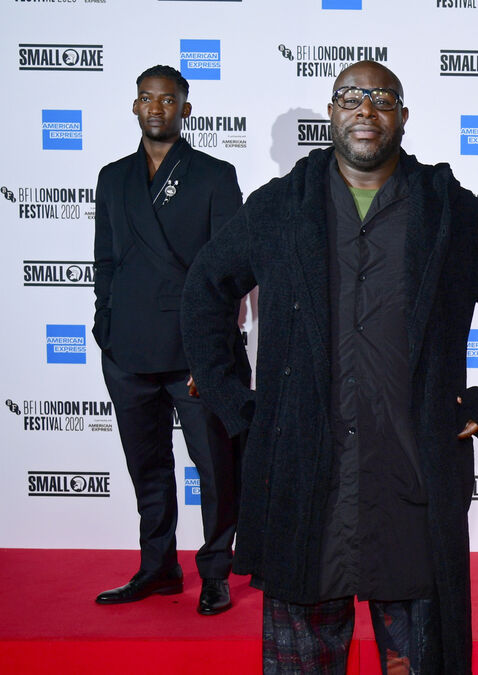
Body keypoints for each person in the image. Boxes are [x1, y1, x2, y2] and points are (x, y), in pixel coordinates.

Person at [181, 60, 478, 673]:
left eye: (382, 99)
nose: (365, 110)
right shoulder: (281, 206)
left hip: (410, 477)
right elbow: (204, 290)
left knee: (422, 658)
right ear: (332, 112)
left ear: (403, 116)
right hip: (305, 479)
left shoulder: (445, 210)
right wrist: (235, 400)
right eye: (350, 97)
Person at [93, 64, 248, 616]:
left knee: (215, 467)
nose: (155, 107)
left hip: (193, 352)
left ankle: (215, 571)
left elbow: (230, 269)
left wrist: (209, 353)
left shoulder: (214, 175)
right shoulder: (113, 177)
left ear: (185, 108)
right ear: (134, 106)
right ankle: (157, 567)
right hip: (127, 349)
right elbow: (104, 260)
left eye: (167, 99)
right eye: (146, 98)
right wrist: (105, 327)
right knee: (148, 466)